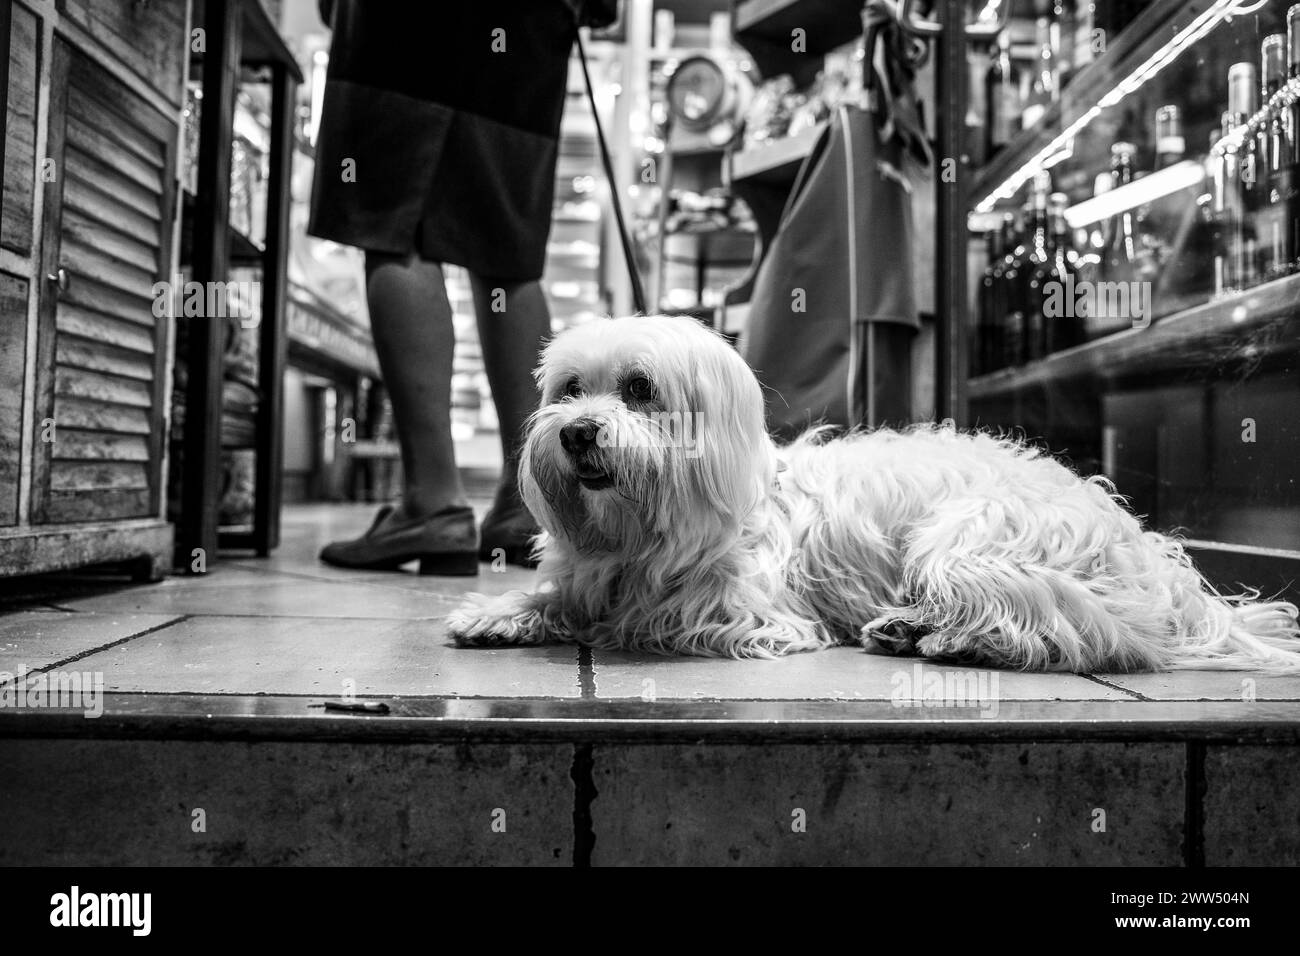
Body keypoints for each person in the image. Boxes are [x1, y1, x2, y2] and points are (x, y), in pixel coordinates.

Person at [308, 2, 585, 574]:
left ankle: (432, 503)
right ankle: (526, 503)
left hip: (402, 27)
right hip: (527, 25)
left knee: (390, 217)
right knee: (507, 246)